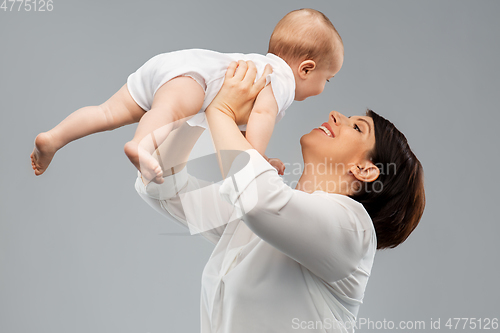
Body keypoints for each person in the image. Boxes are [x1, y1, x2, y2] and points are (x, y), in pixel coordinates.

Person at [135, 61, 425, 332]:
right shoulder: (266, 214)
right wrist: (201, 104)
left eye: (357, 127)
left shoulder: (354, 232)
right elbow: (163, 189)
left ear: (364, 169)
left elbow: (257, 200)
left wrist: (222, 110)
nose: (335, 115)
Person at [30, 8, 344, 184]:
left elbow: (230, 132)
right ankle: (141, 145)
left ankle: (53, 138)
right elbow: (260, 120)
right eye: (327, 79)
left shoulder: (260, 64)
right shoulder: (282, 82)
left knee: (107, 113)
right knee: (167, 113)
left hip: (172, 65)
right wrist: (256, 158)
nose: (323, 87)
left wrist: (254, 152)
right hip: (194, 80)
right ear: (306, 68)